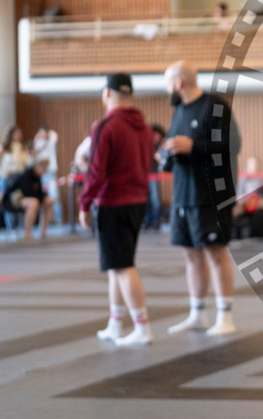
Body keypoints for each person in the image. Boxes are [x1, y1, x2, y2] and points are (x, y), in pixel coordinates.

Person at [162, 60, 240, 337]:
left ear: (179, 83)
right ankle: (197, 313)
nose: (167, 88)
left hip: (210, 196)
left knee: (216, 253)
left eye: (168, 82)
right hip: (184, 194)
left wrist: (193, 146)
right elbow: (178, 148)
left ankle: (225, 317)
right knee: (190, 254)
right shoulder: (179, 112)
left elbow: (232, 145)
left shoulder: (214, 106)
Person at [78, 73, 155, 346]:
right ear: (130, 95)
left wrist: (84, 203)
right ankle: (115, 323)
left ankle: (142, 327)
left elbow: (96, 170)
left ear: (107, 94)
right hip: (137, 201)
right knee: (115, 265)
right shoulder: (144, 129)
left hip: (112, 202)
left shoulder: (106, 126)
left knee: (123, 266)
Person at [1, 158, 54, 240]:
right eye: (43, 168)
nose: (45, 170)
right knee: (34, 203)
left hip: (29, 198)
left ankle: (43, 232)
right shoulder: (26, 175)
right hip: (14, 199)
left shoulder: (37, 177)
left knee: (49, 201)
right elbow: (28, 193)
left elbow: (39, 192)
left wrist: (44, 198)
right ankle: (27, 232)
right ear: (37, 167)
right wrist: (40, 197)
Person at [31, 125, 62, 224]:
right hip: (41, 173)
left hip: (50, 172)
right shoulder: (38, 144)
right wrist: (36, 139)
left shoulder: (51, 142)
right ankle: (47, 218)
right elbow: (33, 154)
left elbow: (55, 136)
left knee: (54, 195)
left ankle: (58, 218)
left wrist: (47, 133)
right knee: (43, 196)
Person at [142, 124, 165, 230]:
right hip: (144, 174)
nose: (156, 138)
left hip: (154, 175)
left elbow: (163, 161)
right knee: (145, 199)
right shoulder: (144, 145)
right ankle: (146, 221)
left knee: (156, 199)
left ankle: (156, 221)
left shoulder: (159, 148)